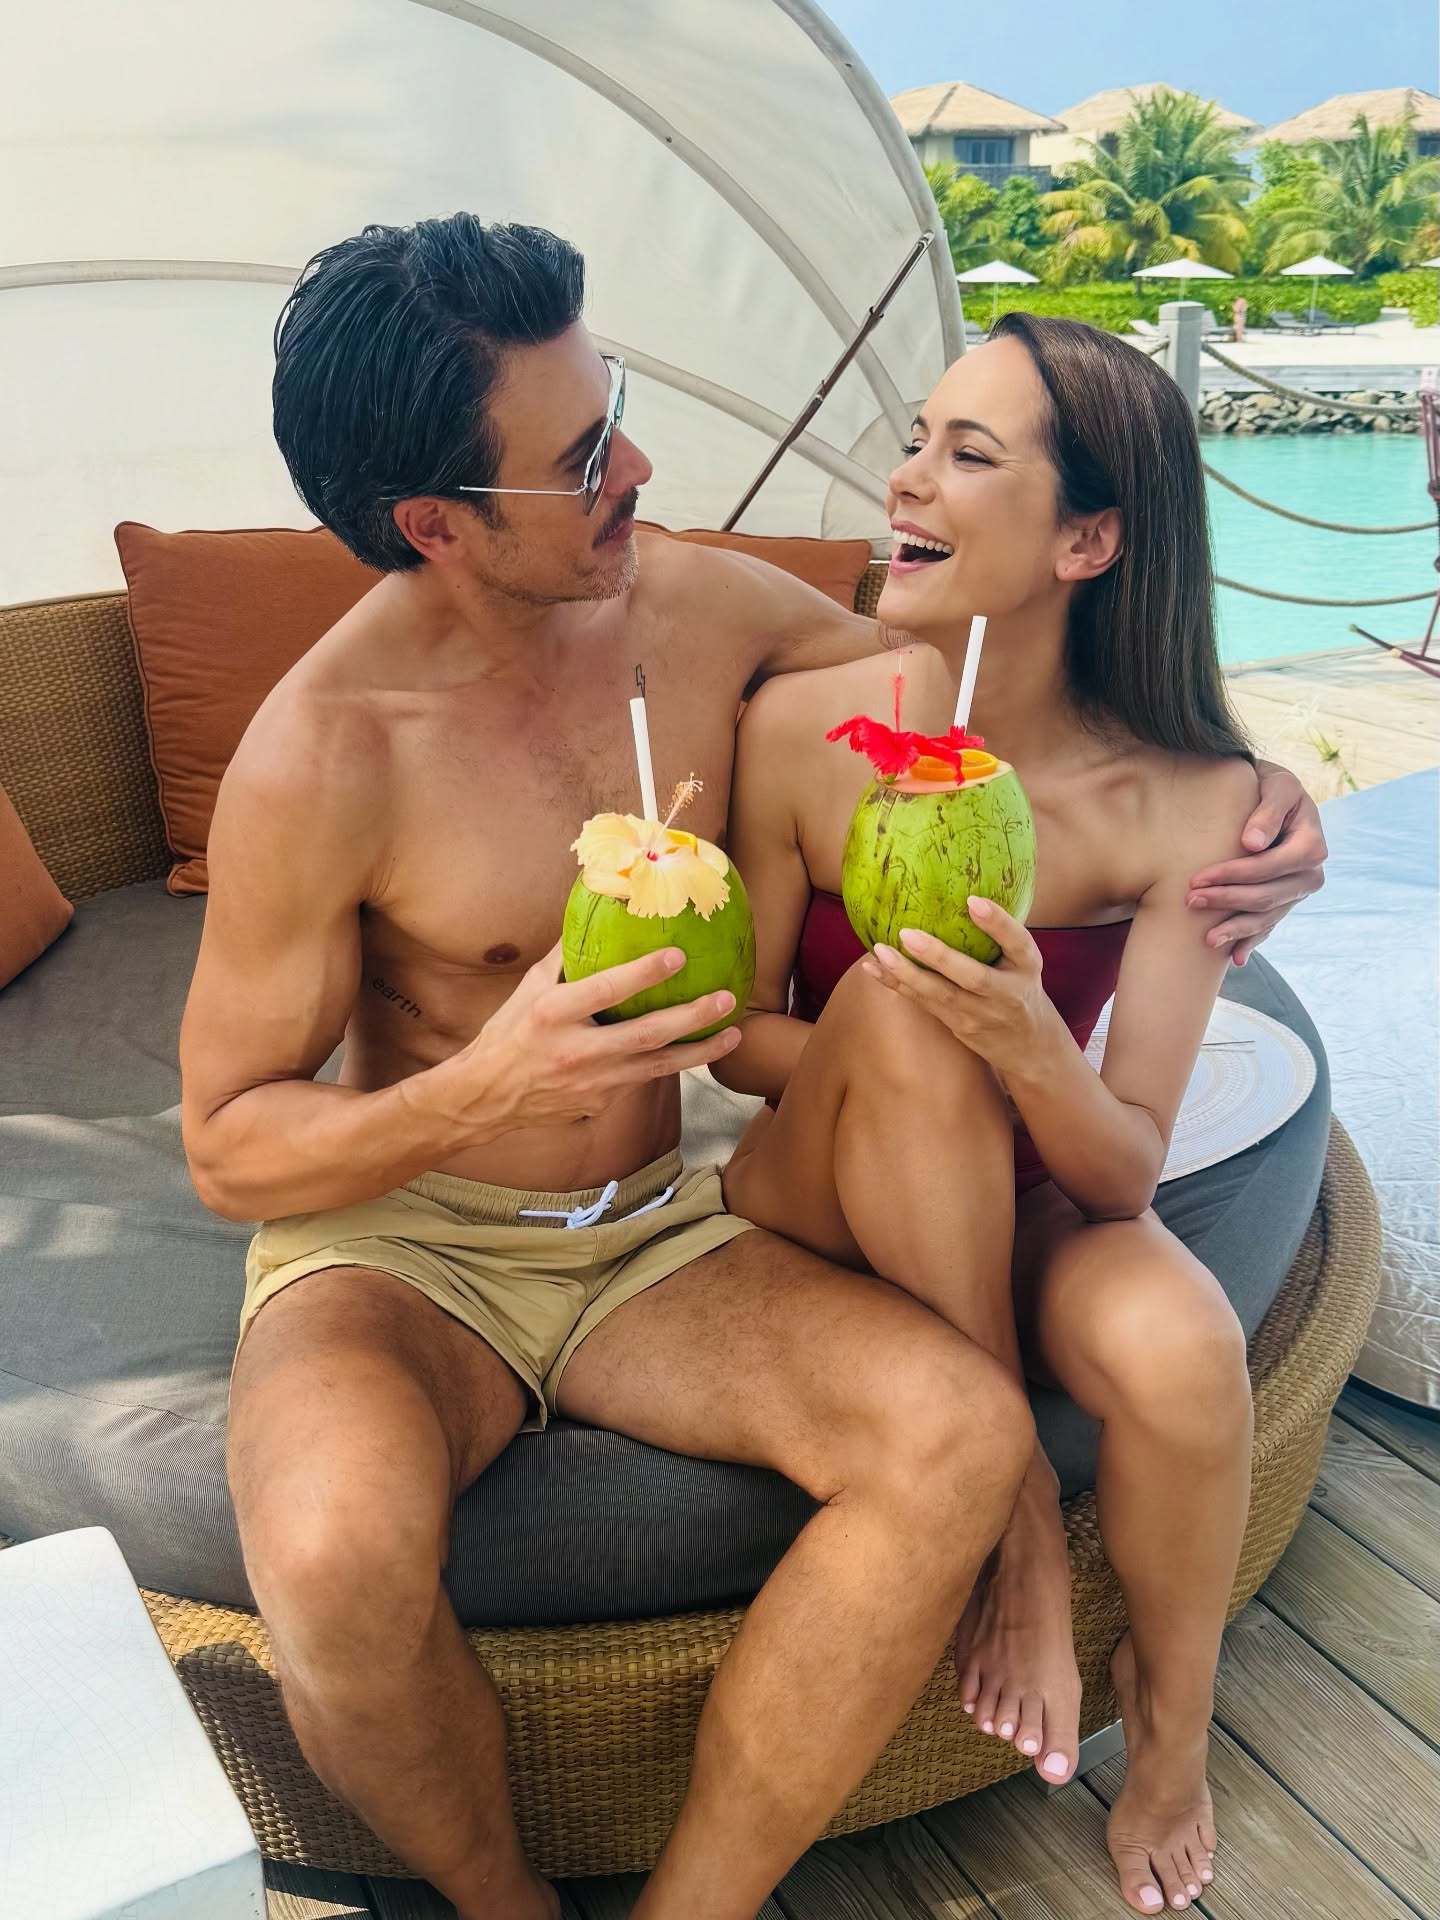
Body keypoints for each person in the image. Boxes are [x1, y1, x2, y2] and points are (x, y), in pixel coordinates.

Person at [178, 215, 1323, 1919]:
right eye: (582, 459)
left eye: (617, 410)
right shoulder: (322, 751)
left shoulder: (694, 605)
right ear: (436, 525)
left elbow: (968, 665)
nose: (638, 471)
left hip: (655, 1235)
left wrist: (1262, 805)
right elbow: (227, 1146)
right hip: (404, 1253)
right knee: (336, 1560)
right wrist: (479, 1085)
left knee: (957, 1436)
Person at [717, 314, 1312, 1918]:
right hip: (819, 1187)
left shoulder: (1188, 804)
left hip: (1042, 1187)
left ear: (1089, 541)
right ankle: (1025, 1524)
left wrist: (1032, 1045)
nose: (907, 477)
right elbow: (739, 1048)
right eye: (920, 437)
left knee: (1182, 1347)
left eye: (968, 455)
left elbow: (1121, 1168)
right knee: (899, 1002)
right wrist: (910, 1040)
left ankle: (1173, 1727)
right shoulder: (806, 731)